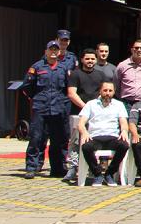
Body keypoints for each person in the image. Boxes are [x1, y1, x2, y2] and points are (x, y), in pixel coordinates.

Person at [22, 40, 71, 179]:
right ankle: (32, 167)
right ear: (46, 51)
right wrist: (37, 98)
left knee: (58, 140)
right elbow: (27, 86)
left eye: (56, 50)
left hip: (58, 108)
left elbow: (68, 88)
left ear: (59, 52)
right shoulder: (37, 67)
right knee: (36, 138)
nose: (53, 52)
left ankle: (57, 169)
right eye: (51, 49)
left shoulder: (63, 69)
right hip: (41, 108)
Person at [77, 80, 129, 186]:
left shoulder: (119, 105)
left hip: (112, 137)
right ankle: (97, 174)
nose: (107, 93)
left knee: (124, 146)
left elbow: (123, 123)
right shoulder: (90, 104)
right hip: (95, 137)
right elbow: (81, 124)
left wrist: (124, 131)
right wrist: (85, 132)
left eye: (110, 90)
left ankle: (109, 173)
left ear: (114, 92)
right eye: (105, 90)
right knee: (86, 147)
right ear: (100, 91)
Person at [65, 50, 105, 183]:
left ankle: (93, 169)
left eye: (92, 59)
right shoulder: (75, 74)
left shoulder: (100, 75)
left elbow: (103, 93)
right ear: (82, 60)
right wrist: (86, 107)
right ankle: (72, 167)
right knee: (75, 141)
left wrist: (93, 109)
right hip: (77, 112)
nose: (90, 61)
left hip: (96, 114)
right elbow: (71, 93)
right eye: (87, 59)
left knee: (93, 140)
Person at [116, 40, 141, 106]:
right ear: (132, 50)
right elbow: (116, 86)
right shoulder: (122, 65)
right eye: (136, 48)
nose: (139, 50)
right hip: (126, 102)